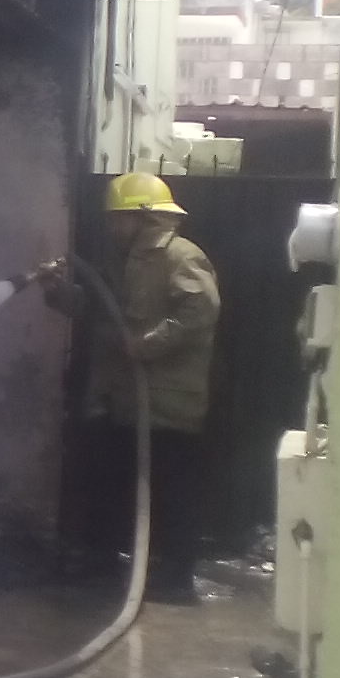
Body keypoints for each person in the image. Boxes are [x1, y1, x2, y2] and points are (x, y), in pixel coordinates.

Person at [41, 172, 222, 603]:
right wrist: (57, 294)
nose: (112, 227)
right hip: (124, 402)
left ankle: (175, 578)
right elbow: (98, 308)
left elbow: (201, 310)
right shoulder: (121, 262)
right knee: (113, 482)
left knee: (171, 489)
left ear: (145, 218)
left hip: (169, 404)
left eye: (119, 218)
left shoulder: (181, 258)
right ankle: (106, 562)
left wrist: (147, 345)